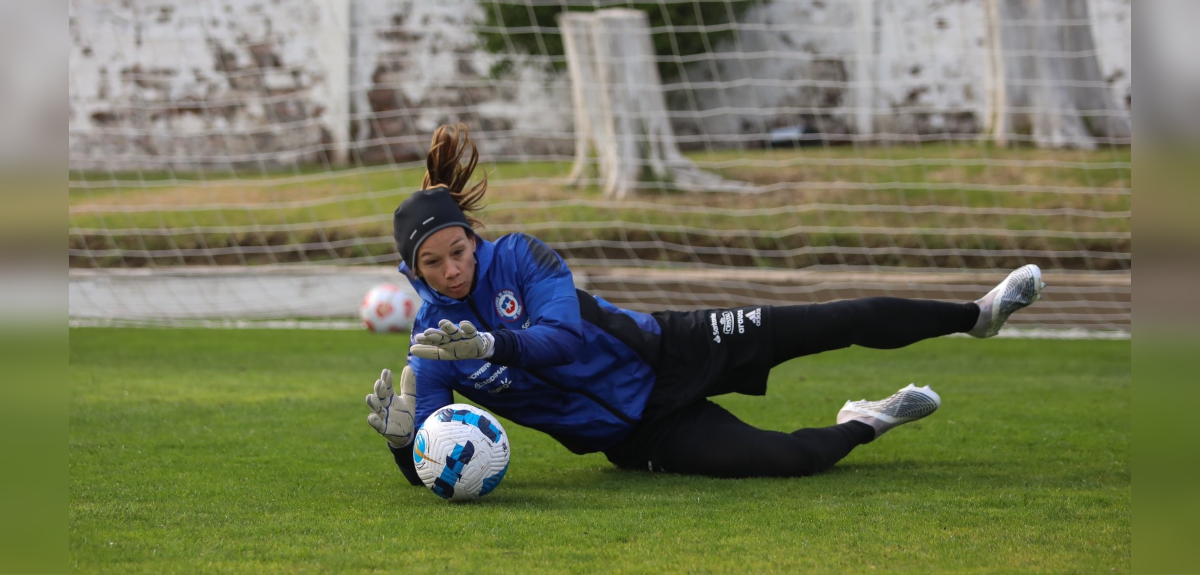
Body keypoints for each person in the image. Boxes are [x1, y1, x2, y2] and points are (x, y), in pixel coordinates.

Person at [364, 124, 1046, 484]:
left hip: (673, 346)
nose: (453, 270)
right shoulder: (431, 344)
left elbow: (563, 339)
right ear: (412, 272)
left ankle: (976, 315)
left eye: (459, 250)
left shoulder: (520, 255)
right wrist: (402, 444)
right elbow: (434, 459)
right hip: (638, 435)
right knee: (785, 462)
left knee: (832, 320)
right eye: (434, 264)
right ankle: (867, 419)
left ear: (473, 237)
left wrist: (493, 344)